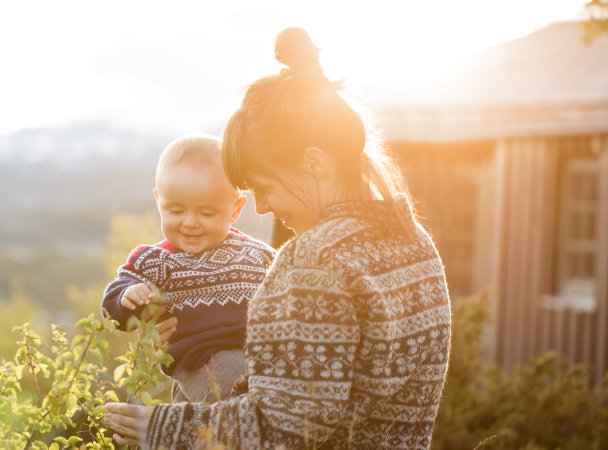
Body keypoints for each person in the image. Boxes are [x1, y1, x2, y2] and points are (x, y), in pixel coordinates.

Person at [104, 28, 452, 449]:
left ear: (314, 163)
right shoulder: (414, 245)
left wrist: (157, 428)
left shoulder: (315, 260)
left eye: (263, 186)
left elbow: (286, 428)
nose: (263, 207)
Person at [101, 134, 276, 403]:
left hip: (260, 355)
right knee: (245, 404)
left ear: (236, 208)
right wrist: (128, 296)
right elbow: (113, 308)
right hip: (201, 362)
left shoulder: (258, 253)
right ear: (159, 200)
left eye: (207, 213)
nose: (190, 222)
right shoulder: (156, 261)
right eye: (175, 211)